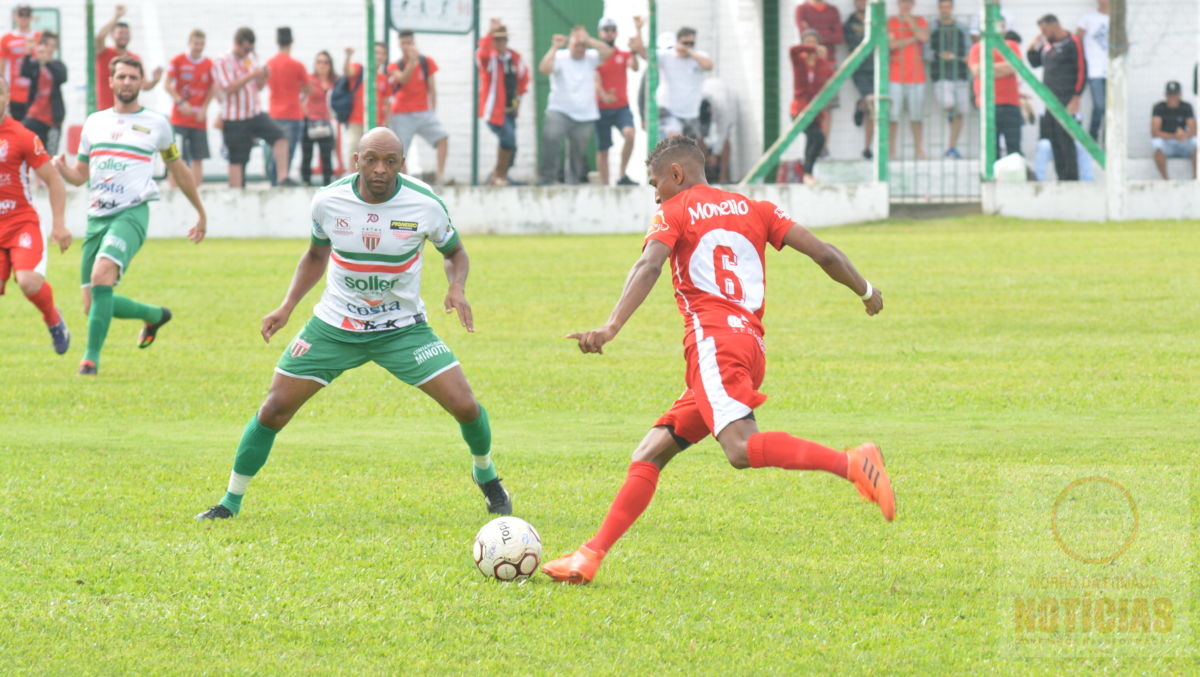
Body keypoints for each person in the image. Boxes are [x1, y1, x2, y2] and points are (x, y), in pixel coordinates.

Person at [541, 136, 894, 585]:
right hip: (750, 347)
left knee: (741, 448)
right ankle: (589, 556)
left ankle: (853, 463)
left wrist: (610, 327)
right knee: (650, 451)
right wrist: (865, 290)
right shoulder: (758, 209)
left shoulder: (675, 210)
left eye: (655, 184)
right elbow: (823, 252)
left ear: (676, 174)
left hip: (713, 344)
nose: (655, 195)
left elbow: (648, 265)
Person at [194, 127, 511, 521]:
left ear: (402, 165)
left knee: (465, 405)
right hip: (335, 326)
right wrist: (287, 306)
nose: (380, 169)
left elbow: (455, 252)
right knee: (274, 408)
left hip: (403, 329)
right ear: (356, 160)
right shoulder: (329, 201)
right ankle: (230, 501)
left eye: (390, 162)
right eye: (372, 159)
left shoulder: (425, 204)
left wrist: (457, 287)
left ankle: (487, 475)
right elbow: (315, 255)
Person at [53, 56, 206, 376]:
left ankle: (89, 361)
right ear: (111, 81)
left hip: (132, 213)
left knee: (101, 277)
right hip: (97, 217)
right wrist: (63, 170)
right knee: (92, 304)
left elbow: (178, 168)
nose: (126, 82)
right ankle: (154, 315)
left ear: (141, 83)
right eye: (121, 76)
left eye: (133, 77)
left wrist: (200, 211)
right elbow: (81, 175)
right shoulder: (94, 122)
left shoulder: (157, 124)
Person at [0, 74, 70, 354]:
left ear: (6, 97)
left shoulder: (23, 136)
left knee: (28, 281)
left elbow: (54, 180)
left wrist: (60, 225)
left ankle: (53, 319)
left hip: (21, 224)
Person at [213, 27, 292, 188]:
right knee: (237, 158)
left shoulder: (251, 58)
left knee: (280, 136)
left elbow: (259, 87)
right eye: (245, 48)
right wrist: (251, 75)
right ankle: (236, 190)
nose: (247, 52)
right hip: (234, 117)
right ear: (237, 43)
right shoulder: (222, 61)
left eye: (250, 48)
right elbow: (228, 88)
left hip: (253, 113)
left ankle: (283, 178)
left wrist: (263, 76)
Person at [538, 27, 612, 185]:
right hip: (560, 109)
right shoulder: (559, 56)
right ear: (569, 45)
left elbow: (607, 52)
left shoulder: (591, 57)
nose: (580, 49)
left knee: (577, 151)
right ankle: (547, 179)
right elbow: (544, 69)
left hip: (585, 113)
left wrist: (589, 40)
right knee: (552, 139)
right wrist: (554, 47)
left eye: (582, 46)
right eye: (576, 45)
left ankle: (573, 183)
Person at [1028, 14, 1085, 181]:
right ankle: (1061, 176)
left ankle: (1071, 178)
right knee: (1054, 139)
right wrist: (1032, 47)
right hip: (1050, 100)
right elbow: (1035, 63)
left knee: (1066, 138)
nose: (1043, 33)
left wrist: (1076, 96)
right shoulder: (1047, 45)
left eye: (1045, 30)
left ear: (1054, 26)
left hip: (1067, 99)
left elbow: (1082, 69)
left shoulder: (1072, 42)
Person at [387, 30, 449, 185]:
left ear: (414, 43)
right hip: (401, 113)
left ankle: (440, 175)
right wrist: (412, 63)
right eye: (403, 43)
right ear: (399, 45)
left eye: (409, 43)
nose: (407, 46)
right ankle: (405, 182)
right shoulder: (395, 65)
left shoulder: (427, 62)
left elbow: (432, 88)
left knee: (442, 138)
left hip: (423, 112)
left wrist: (432, 111)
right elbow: (403, 79)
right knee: (400, 151)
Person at [476, 19, 529, 186]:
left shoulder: (514, 58)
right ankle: (498, 175)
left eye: (503, 39)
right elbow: (482, 55)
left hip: (510, 109)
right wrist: (488, 34)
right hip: (494, 110)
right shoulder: (490, 59)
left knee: (512, 144)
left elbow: (524, 79)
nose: (500, 43)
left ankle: (500, 175)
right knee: (508, 139)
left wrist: (519, 99)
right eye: (496, 39)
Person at [164, 29, 215, 187]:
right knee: (175, 155)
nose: (198, 47)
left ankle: (196, 189)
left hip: (198, 119)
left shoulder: (209, 65)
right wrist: (180, 102)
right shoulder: (178, 61)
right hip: (179, 118)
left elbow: (213, 87)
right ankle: (173, 187)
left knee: (197, 156)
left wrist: (205, 108)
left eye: (201, 44)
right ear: (189, 43)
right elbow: (167, 84)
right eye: (195, 43)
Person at [594, 16, 640, 186]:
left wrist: (634, 51)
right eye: (606, 30)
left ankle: (621, 174)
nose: (610, 33)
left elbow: (634, 66)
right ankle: (605, 184)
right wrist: (603, 94)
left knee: (630, 134)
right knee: (603, 148)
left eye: (613, 30)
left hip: (621, 106)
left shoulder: (622, 54)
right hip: (601, 107)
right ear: (600, 33)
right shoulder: (596, 56)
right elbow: (595, 78)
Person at [967, 23, 1023, 159]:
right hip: (987, 105)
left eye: (1001, 27)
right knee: (991, 150)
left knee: (1014, 148)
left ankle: (1015, 179)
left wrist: (987, 69)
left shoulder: (1011, 45)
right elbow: (976, 70)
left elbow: (1016, 66)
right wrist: (1005, 67)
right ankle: (993, 179)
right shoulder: (977, 48)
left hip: (1011, 103)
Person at [794, 0, 842, 156]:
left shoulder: (832, 10)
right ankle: (811, 149)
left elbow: (839, 37)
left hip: (828, 64)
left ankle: (823, 148)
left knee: (826, 108)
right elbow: (804, 34)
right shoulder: (802, 9)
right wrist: (825, 34)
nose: (815, 44)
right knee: (808, 107)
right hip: (807, 65)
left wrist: (816, 34)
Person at [94, 5, 162, 111]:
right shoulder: (104, 53)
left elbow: (144, 86)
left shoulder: (134, 58)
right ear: (112, 35)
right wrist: (116, 17)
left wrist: (155, 81)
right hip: (104, 110)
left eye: (126, 33)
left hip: (127, 111)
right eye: (120, 33)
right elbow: (99, 37)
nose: (123, 36)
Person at [266, 27, 311, 185]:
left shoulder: (270, 64)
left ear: (277, 42)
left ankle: (273, 182)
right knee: (288, 154)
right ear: (291, 42)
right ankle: (280, 182)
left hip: (274, 114)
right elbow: (309, 88)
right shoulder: (297, 65)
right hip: (292, 114)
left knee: (275, 153)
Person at [651, 28, 714, 140]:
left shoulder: (698, 57)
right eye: (685, 43)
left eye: (691, 43)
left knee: (690, 150)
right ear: (677, 42)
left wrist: (689, 51)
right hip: (669, 111)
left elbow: (709, 65)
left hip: (691, 113)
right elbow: (647, 55)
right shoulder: (667, 56)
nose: (688, 46)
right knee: (676, 142)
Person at [789, 30, 834, 183]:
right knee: (817, 136)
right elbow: (793, 50)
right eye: (807, 42)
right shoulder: (799, 60)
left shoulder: (822, 65)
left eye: (814, 43)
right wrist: (813, 50)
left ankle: (807, 173)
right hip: (799, 109)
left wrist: (824, 59)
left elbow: (829, 78)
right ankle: (806, 173)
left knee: (815, 139)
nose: (811, 46)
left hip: (815, 110)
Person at [927, 0, 970, 159]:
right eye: (942, 7)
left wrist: (965, 58)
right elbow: (926, 51)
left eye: (948, 7)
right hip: (941, 74)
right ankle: (951, 118)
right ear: (939, 9)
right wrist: (938, 55)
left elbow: (968, 49)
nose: (945, 10)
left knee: (961, 112)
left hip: (960, 73)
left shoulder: (961, 28)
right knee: (949, 104)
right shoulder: (933, 27)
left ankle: (951, 147)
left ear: (952, 8)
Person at [888, 0, 929, 160]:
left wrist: (910, 22)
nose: (905, 5)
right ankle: (891, 151)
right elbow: (891, 45)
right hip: (895, 75)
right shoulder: (891, 22)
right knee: (892, 116)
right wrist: (912, 39)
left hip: (916, 75)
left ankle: (919, 150)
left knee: (916, 116)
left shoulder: (919, 20)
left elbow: (923, 37)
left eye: (908, 2)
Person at [342, 43, 390, 172]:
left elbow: (386, 103)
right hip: (356, 120)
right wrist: (348, 57)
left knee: (373, 154)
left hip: (376, 123)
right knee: (354, 149)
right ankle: (352, 178)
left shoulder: (383, 78)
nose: (379, 56)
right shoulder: (360, 70)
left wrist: (386, 123)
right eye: (376, 52)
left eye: (382, 53)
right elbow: (347, 71)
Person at [17, 32, 66, 154]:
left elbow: (62, 78)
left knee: (50, 154)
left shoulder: (57, 65)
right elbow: (24, 71)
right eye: (47, 45)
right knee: (29, 149)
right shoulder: (35, 65)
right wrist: (28, 53)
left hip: (53, 118)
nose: (50, 48)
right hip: (34, 116)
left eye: (53, 45)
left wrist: (47, 62)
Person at [843, 0, 875, 160]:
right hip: (860, 67)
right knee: (871, 100)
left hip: (876, 67)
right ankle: (861, 104)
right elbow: (852, 44)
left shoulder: (875, 19)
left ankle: (867, 148)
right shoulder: (850, 22)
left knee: (873, 109)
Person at [300, 51, 336, 186]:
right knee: (307, 154)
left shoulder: (334, 81)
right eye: (319, 62)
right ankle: (306, 181)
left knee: (326, 155)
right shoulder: (309, 80)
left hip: (325, 122)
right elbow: (301, 97)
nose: (322, 65)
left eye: (326, 62)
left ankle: (328, 182)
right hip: (309, 121)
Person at [1075, 0, 1109, 141]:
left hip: (1113, 71)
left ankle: (1108, 142)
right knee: (1099, 106)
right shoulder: (1088, 18)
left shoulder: (1117, 18)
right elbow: (1077, 40)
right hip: (1095, 69)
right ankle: (1092, 137)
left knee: (1110, 110)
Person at [1151, 81, 1197, 180]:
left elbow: (1194, 130)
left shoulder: (1186, 107)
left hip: (1183, 143)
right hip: (1167, 143)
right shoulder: (1159, 107)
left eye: (1175, 95)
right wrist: (1174, 136)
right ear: (1165, 95)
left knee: (1196, 143)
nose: (1172, 97)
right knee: (1156, 144)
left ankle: (1196, 178)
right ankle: (1166, 180)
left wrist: (1184, 135)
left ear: (1180, 95)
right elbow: (1155, 132)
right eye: (1170, 94)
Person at [0, 4, 40, 120]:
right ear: (15, 17)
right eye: (21, 15)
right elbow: (2, 67)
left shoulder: (38, 37)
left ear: (31, 17)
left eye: (27, 15)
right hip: (15, 93)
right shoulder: (7, 39)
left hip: (35, 93)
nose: (24, 18)